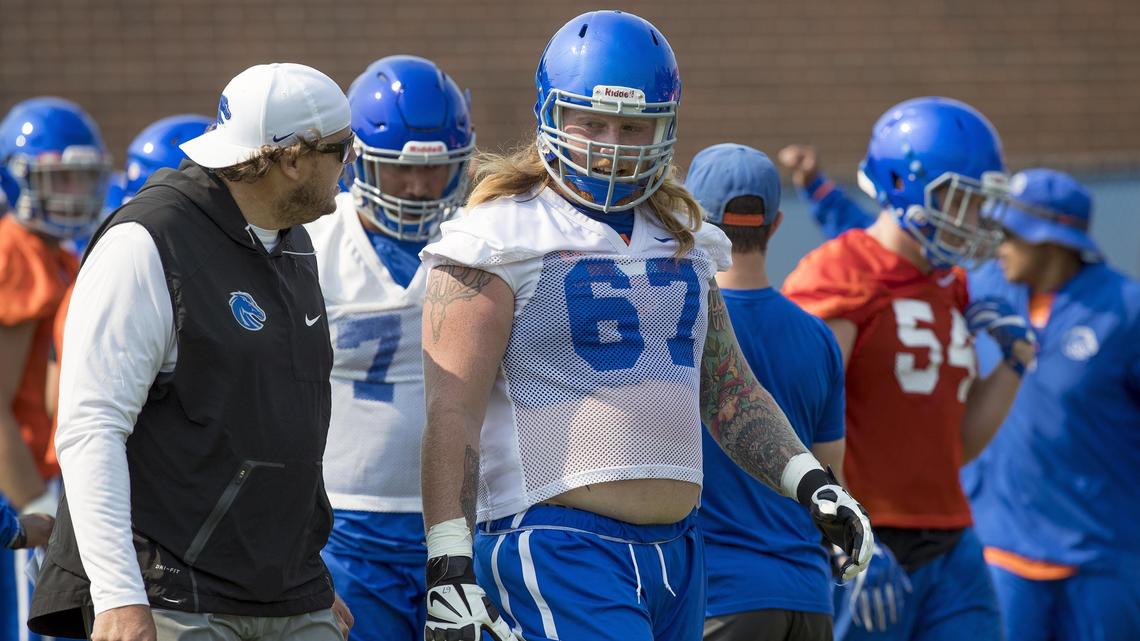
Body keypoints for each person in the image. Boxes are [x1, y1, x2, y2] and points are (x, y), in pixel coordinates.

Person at [417, 11, 873, 641]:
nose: (611, 143)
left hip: (681, 551)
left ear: (666, 126)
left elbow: (730, 391)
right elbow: (452, 412)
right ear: (552, 114)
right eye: (593, 123)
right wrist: (448, 562)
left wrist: (813, 483)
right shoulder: (499, 235)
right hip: (559, 544)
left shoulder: (684, 235)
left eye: (633, 127)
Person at [27, 62, 356, 641]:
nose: (347, 165)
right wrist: (118, 597)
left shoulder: (293, 239)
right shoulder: (147, 241)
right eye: (340, 149)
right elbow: (90, 428)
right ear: (293, 158)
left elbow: (283, 424)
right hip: (172, 594)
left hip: (290, 592)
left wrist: (312, 575)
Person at [782, 96, 1037, 641]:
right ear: (907, 184)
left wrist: (1015, 362)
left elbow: (956, 446)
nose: (975, 220)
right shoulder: (844, 271)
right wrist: (840, 531)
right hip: (867, 534)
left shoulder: (950, 283)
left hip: (953, 538)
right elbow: (795, 421)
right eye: (962, 200)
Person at [306, 54, 475, 641]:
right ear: (356, 162)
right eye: (398, 168)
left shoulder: (479, 241)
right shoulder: (315, 243)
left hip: (458, 523)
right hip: (346, 527)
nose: (418, 185)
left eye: (437, 169)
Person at [965, 168, 1140, 641]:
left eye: (1009, 233)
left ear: (1051, 242)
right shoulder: (984, 287)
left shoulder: (1126, 309)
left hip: (1101, 559)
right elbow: (894, 271)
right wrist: (821, 192)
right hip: (1002, 552)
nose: (997, 244)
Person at [684, 143, 849, 641]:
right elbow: (831, 474)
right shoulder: (819, 336)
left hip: (719, 597)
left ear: (695, 222)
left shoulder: (677, 323)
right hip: (809, 597)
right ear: (775, 224)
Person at [0, 96, 112, 641]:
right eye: (57, 179)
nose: (71, 195)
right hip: (22, 484)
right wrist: (33, 506)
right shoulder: (17, 252)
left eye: (79, 179)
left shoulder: (56, 253)